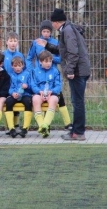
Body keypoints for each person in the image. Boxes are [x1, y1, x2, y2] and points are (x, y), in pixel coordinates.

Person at [37, 8, 91, 141]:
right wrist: (47, 46)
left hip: (78, 71)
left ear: (55, 22)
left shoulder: (67, 31)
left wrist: (71, 70)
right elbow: (63, 50)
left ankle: (78, 132)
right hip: (80, 70)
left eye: (52, 23)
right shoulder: (68, 29)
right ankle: (76, 130)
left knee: (77, 102)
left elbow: (73, 53)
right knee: (77, 101)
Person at [26, 20, 73, 132]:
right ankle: (42, 125)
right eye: (44, 31)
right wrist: (32, 70)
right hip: (39, 77)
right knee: (38, 98)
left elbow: (60, 58)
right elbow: (29, 57)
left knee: (58, 97)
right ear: (41, 31)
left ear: (51, 32)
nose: (46, 33)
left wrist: (50, 59)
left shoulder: (55, 43)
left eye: (48, 31)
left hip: (51, 74)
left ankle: (67, 123)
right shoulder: (36, 42)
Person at [30, 50, 62, 138]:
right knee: (35, 99)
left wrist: (51, 91)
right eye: (46, 61)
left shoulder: (55, 71)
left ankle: (45, 125)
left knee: (54, 99)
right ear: (40, 61)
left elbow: (58, 85)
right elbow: (33, 85)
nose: (49, 63)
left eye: (50, 61)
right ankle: (42, 126)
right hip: (39, 93)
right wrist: (39, 91)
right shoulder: (34, 71)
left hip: (51, 93)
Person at [5, 56, 32, 138]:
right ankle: (11, 128)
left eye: (19, 66)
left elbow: (31, 87)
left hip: (25, 95)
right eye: (15, 66)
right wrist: (12, 93)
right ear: (12, 66)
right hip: (15, 95)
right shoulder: (10, 75)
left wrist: (26, 86)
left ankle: (25, 129)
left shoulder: (27, 74)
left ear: (23, 65)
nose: (17, 68)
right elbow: (9, 87)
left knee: (28, 102)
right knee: (8, 102)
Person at [3, 32, 25, 133]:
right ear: (7, 42)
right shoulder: (3, 55)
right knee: (8, 103)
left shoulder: (20, 55)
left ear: (18, 42)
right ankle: (8, 126)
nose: (13, 43)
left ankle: (16, 125)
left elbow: (23, 70)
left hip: (17, 83)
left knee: (17, 101)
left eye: (15, 41)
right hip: (7, 83)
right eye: (11, 41)